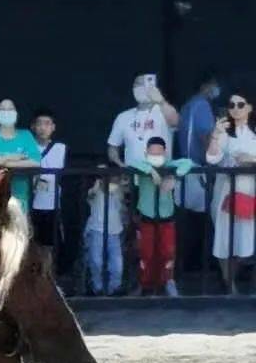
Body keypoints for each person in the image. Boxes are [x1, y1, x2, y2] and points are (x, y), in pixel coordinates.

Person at [129, 136, 195, 297]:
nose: (155, 155)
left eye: (159, 152)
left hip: (167, 216)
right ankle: (145, 284)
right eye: (152, 152)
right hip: (147, 217)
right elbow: (133, 162)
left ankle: (168, 281)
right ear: (146, 152)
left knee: (167, 252)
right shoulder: (142, 166)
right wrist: (151, 171)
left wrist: (173, 176)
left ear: (165, 152)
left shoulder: (169, 165)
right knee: (146, 252)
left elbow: (188, 163)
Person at [206, 88, 256, 291]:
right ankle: (230, 284)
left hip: (250, 190)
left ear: (250, 108)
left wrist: (251, 160)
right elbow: (212, 158)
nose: (235, 109)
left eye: (240, 105)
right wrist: (216, 135)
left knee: (245, 243)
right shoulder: (224, 131)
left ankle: (232, 278)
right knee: (224, 240)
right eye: (232, 105)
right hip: (226, 191)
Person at [175, 69, 219, 271]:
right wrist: (215, 159)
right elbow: (205, 136)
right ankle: (202, 265)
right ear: (205, 86)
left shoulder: (187, 105)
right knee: (204, 220)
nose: (216, 90)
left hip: (186, 168)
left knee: (188, 220)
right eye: (213, 85)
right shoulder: (202, 106)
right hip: (198, 169)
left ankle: (185, 264)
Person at [0, 100, 41, 212]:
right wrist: (9, 157)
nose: (6, 112)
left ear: (16, 113)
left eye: (10, 109)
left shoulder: (26, 135)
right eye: (2, 109)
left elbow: (35, 161)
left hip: (20, 195)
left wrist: (1, 163)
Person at [107, 73, 180, 171]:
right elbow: (113, 147)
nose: (140, 88)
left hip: (161, 176)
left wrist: (161, 101)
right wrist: (121, 166)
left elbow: (176, 122)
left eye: (144, 84)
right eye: (137, 85)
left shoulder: (164, 112)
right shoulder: (123, 117)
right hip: (133, 177)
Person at [84, 169, 125, 296]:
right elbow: (90, 196)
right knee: (96, 260)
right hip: (97, 230)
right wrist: (97, 186)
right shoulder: (95, 193)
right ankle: (97, 287)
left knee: (117, 263)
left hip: (114, 231)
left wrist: (117, 190)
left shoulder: (118, 193)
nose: (111, 182)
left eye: (114, 180)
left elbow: (122, 203)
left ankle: (115, 287)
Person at [29, 109, 65, 251]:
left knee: (51, 244)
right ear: (33, 127)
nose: (43, 128)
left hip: (53, 204)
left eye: (47, 123)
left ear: (53, 127)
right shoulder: (27, 147)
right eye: (39, 124)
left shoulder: (61, 149)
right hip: (31, 203)